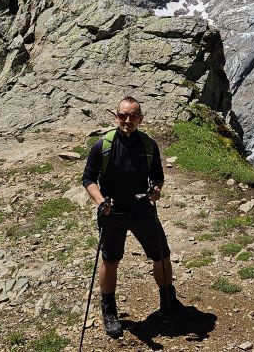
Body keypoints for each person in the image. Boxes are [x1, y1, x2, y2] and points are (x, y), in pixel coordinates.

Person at [82, 96, 183, 338]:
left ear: (140, 118)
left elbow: (157, 176)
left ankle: (168, 300)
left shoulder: (148, 145)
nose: (128, 120)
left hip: (142, 209)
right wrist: (100, 201)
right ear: (115, 116)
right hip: (112, 211)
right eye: (123, 115)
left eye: (133, 116)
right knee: (110, 259)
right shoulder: (103, 146)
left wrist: (156, 190)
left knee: (161, 255)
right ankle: (109, 311)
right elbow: (88, 178)